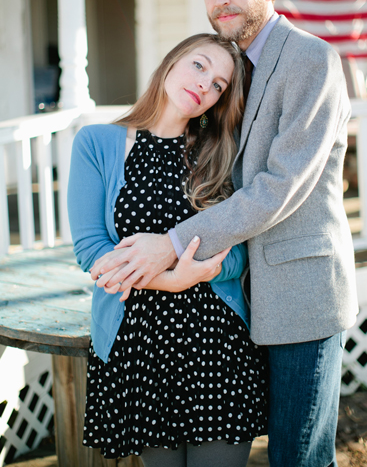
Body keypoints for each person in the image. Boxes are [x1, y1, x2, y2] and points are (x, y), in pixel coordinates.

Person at [92, 0, 359, 467]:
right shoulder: (225, 73)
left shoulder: (309, 59)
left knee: (297, 458)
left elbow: (279, 186)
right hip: (233, 299)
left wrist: (170, 246)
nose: (221, 0)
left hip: (299, 293)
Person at [68, 32, 267, 466]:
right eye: (199, 66)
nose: (204, 85)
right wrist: (171, 280)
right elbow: (92, 252)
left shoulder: (220, 155)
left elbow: (237, 254)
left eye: (218, 85)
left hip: (214, 345)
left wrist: (201, 273)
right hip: (138, 347)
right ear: (172, 63)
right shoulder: (97, 144)